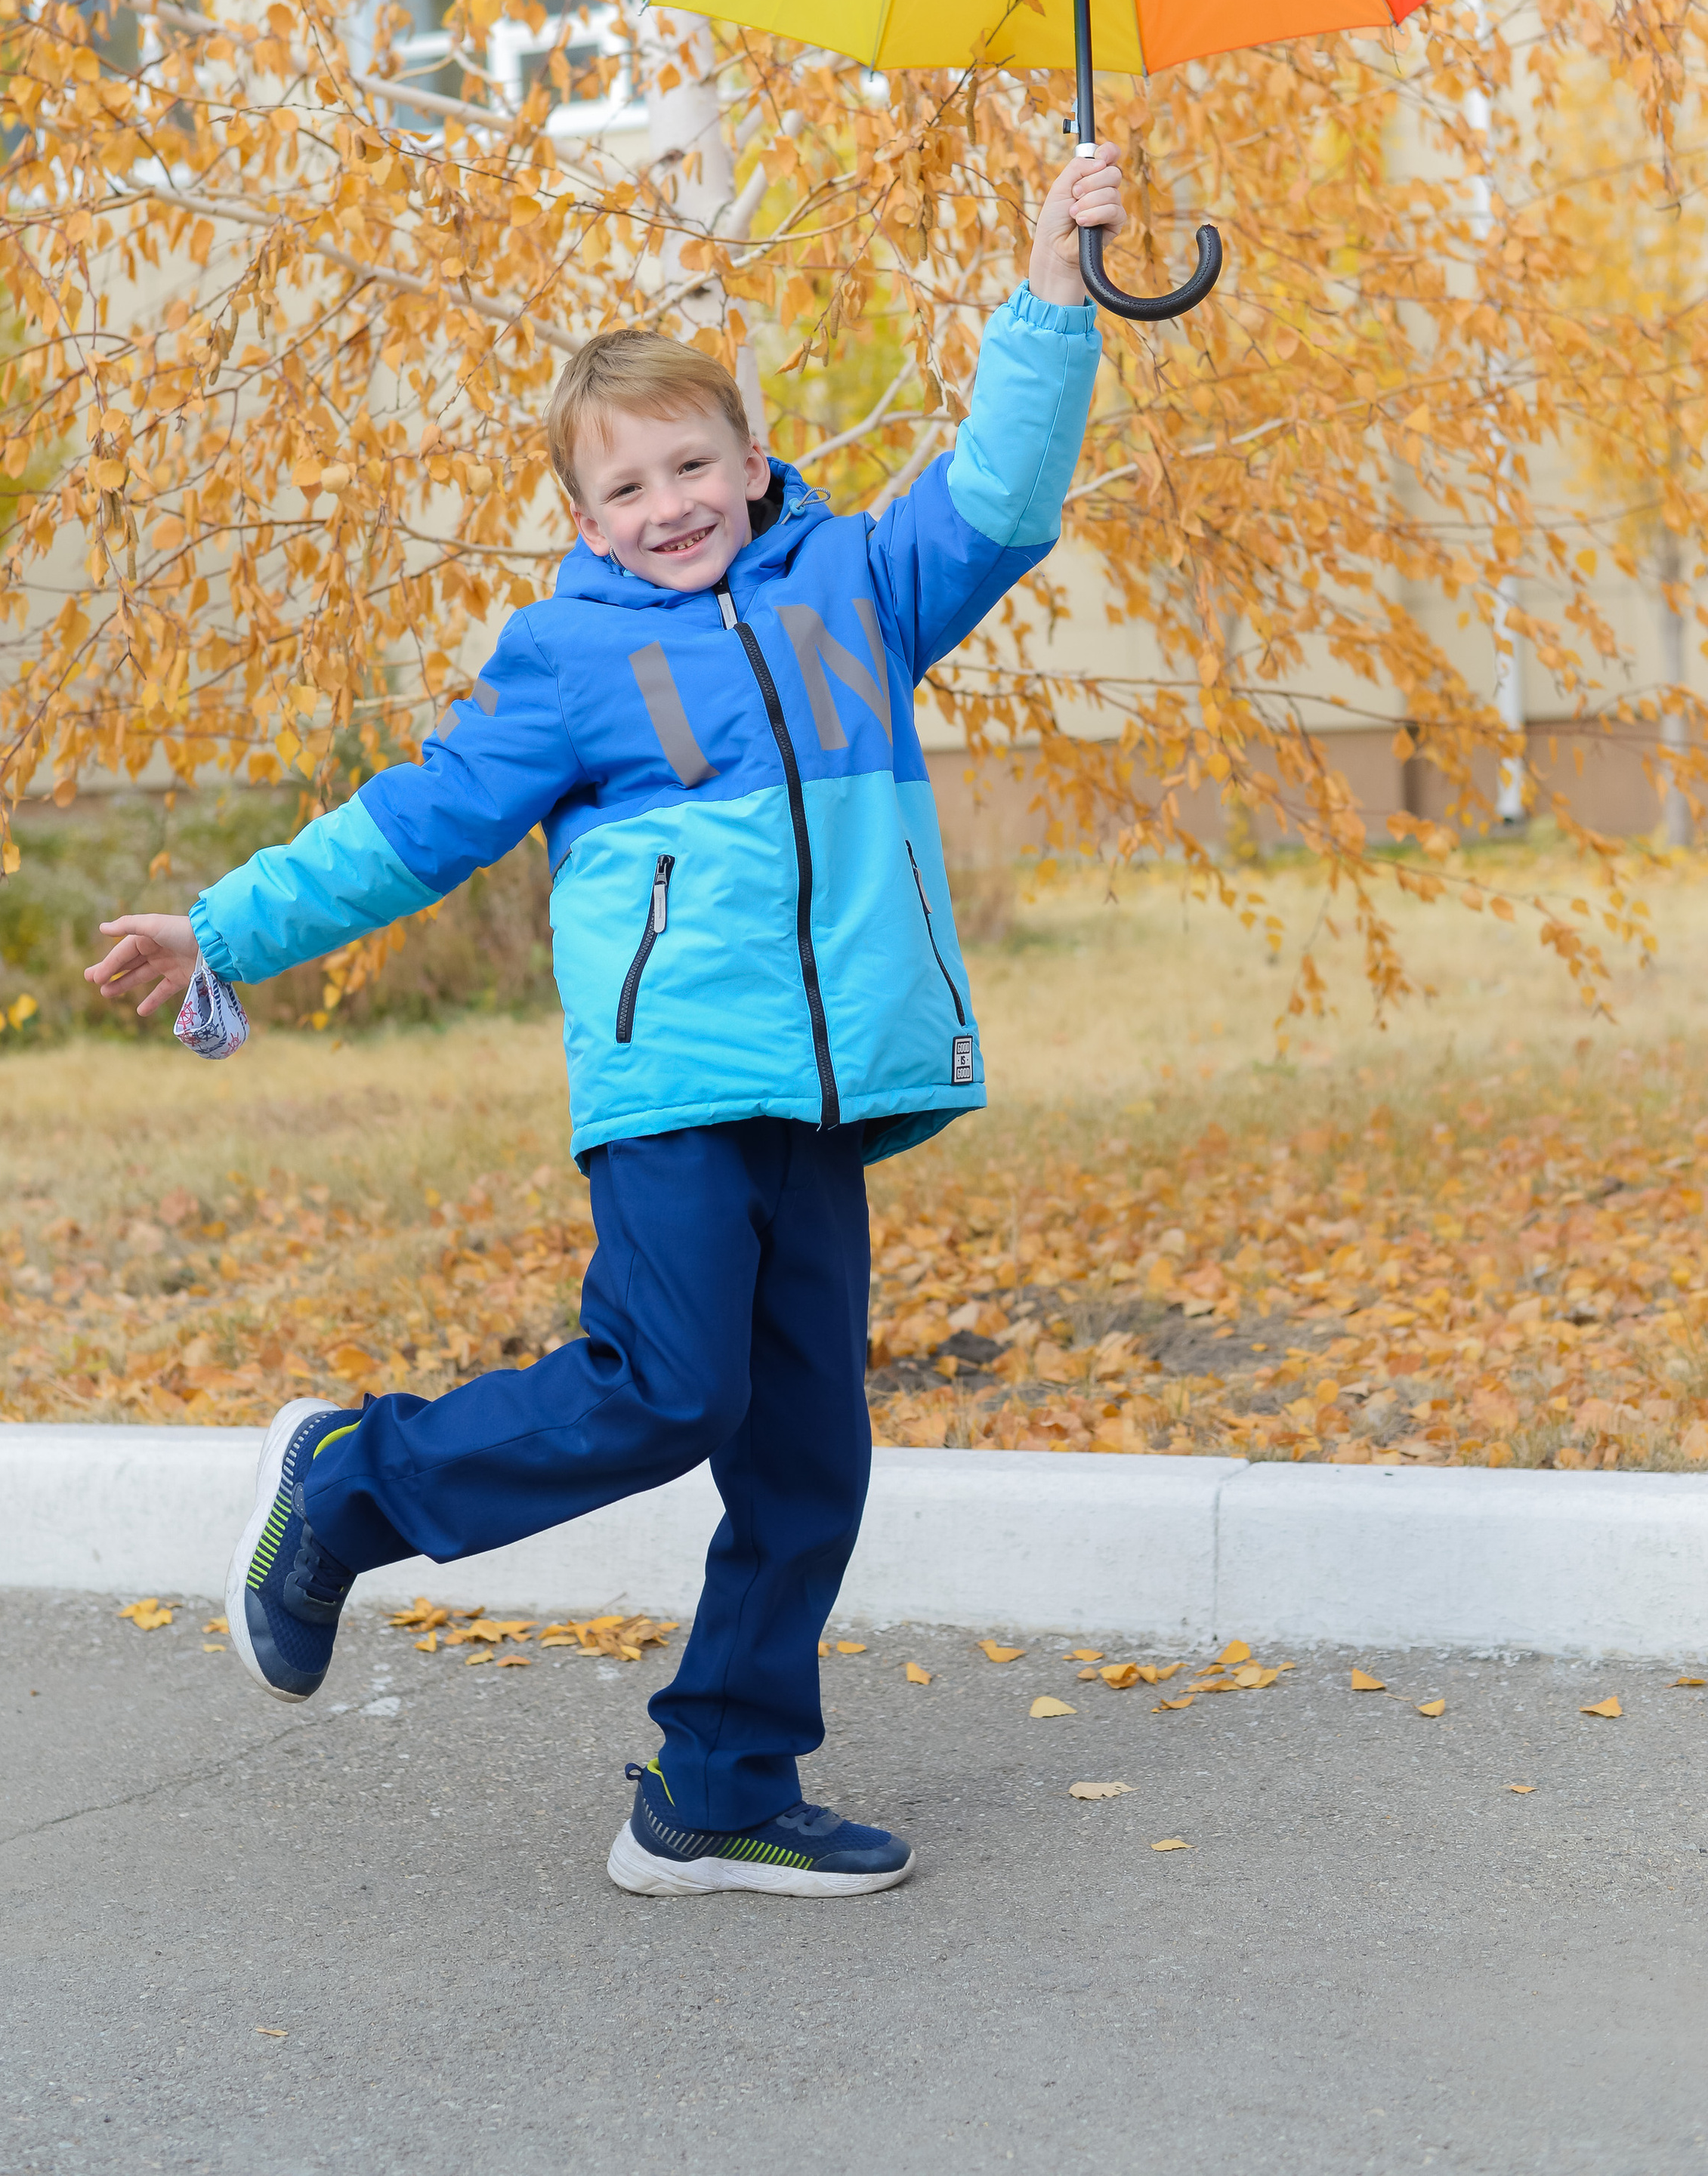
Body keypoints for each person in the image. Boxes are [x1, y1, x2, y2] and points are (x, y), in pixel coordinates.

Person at [85, 142, 1123, 1899]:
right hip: (672, 1092)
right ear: (582, 517)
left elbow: (1005, 492)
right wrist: (217, 929)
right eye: (624, 483)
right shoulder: (567, 664)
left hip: (827, 1095)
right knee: (667, 1390)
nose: (666, 504)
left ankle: (712, 1791)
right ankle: (353, 1481)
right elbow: (406, 829)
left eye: (691, 464)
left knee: (806, 1456)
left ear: (751, 461)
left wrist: (1053, 285)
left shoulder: (859, 589)